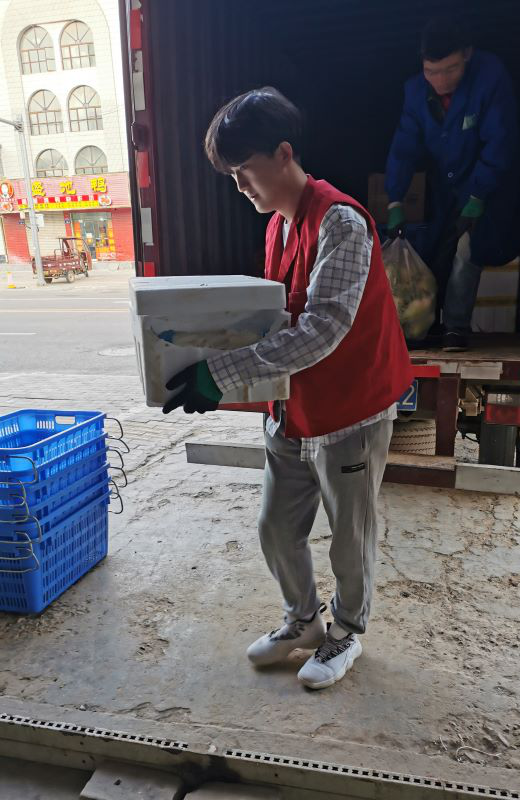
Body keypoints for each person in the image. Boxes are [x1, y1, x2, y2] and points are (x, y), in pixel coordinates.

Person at [163, 87, 414, 689]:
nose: (239, 186)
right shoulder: (278, 225)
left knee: (349, 535)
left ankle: (346, 631)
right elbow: (275, 321)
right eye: (231, 175)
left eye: (244, 170)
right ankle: (303, 621)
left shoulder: (341, 223)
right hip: (293, 406)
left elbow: (322, 329)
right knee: (276, 526)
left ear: (283, 153)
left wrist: (222, 374)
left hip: (352, 407)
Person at [385, 17, 520, 351]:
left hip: (491, 186)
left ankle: (455, 327)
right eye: (431, 71)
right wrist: (395, 200)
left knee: (468, 247)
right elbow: (403, 148)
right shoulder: (415, 92)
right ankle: (423, 325)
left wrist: (478, 196)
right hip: (449, 187)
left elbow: (500, 142)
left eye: (450, 69)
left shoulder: (490, 77)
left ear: (467, 54)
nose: (440, 80)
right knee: (438, 250)